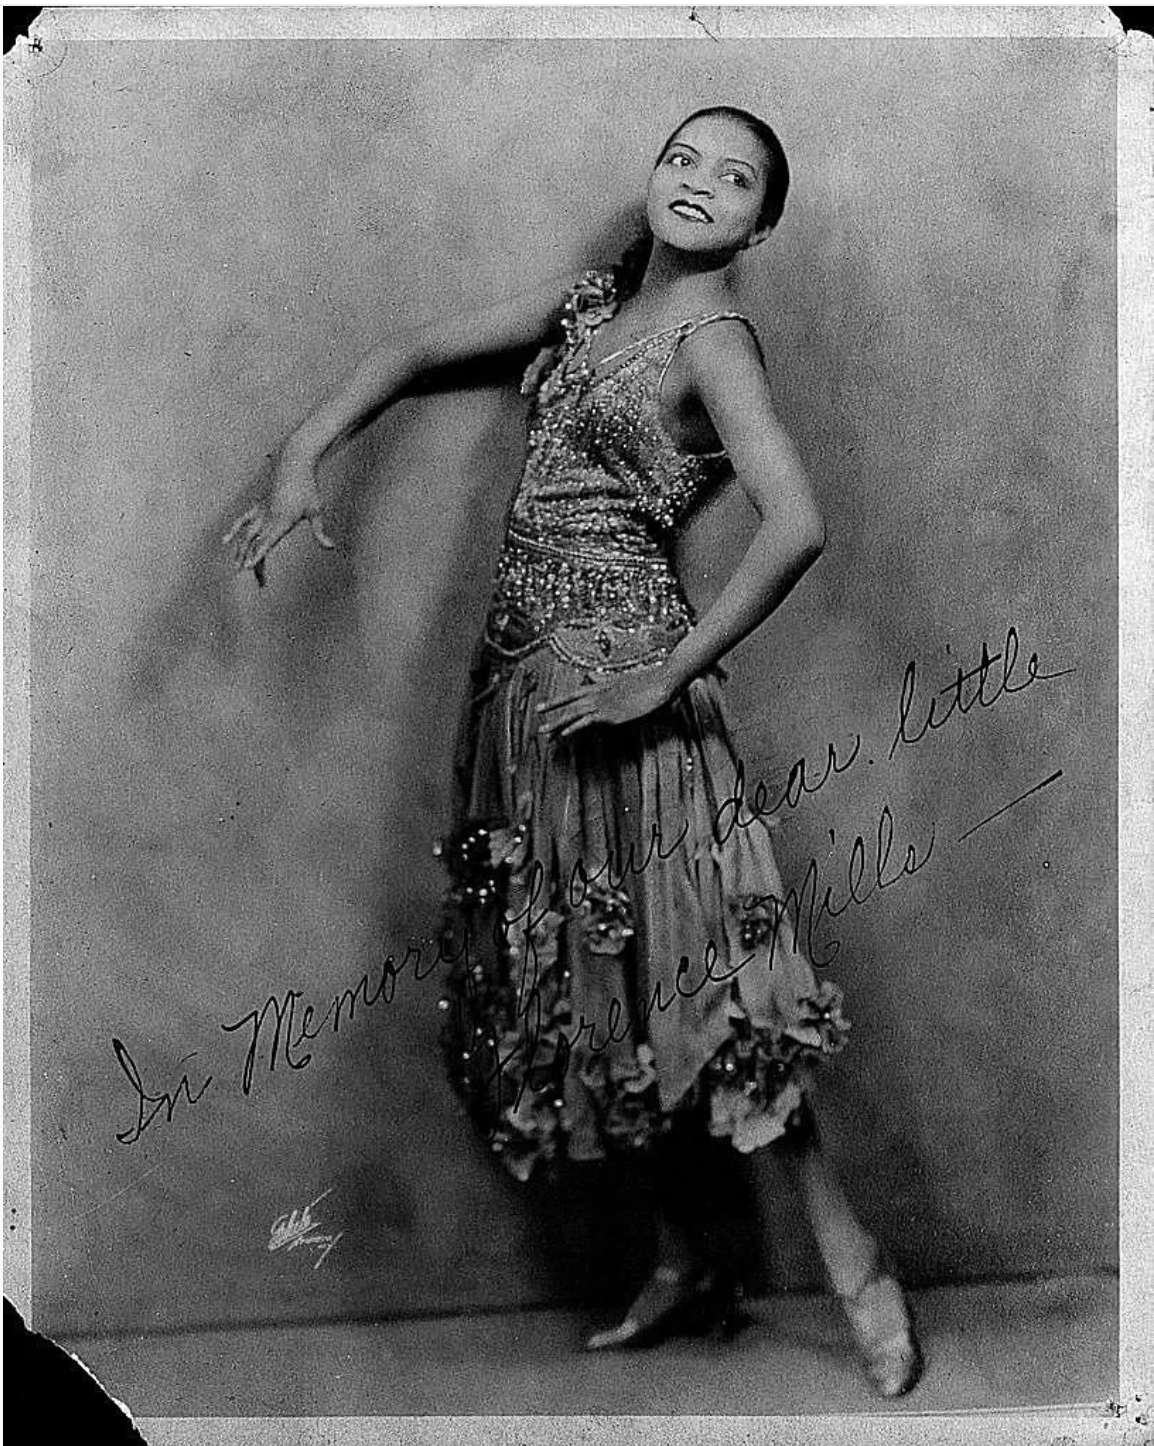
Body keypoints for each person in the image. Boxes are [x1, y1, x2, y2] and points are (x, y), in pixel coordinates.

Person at [226, 105, 924, 1398]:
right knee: (599, 992)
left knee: (714, 986)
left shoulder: (713, 341)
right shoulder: (588, 304)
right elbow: (413, 347)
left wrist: (664, 669)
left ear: (760, 222)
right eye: (682, 159)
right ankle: (684, 1257)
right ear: (649, 178)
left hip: (629, 697)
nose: (700, 184)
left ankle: (854, 1261)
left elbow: (797, 522)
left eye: (735, 178)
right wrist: (300, 456)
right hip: (521, 702)